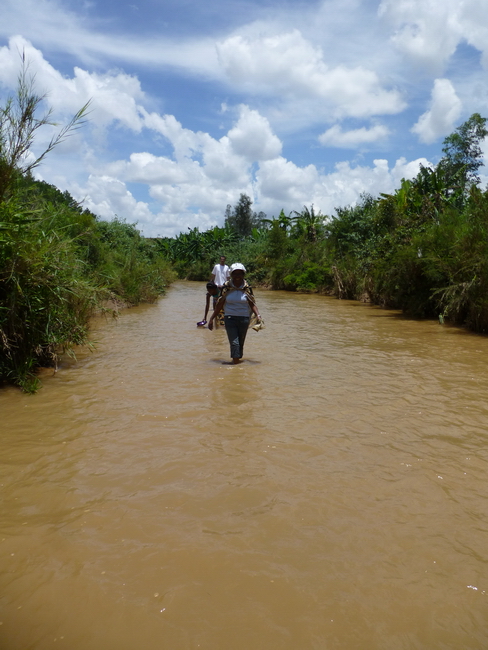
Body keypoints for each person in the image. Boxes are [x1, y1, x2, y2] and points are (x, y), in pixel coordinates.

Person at [208, 263, 262, 364]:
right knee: (234, 342)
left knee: (240, 343)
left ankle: (238, 361)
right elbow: (220, 304)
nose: (237, 276)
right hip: (229, 318)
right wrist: (211, 318)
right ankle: (236, 364)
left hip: (244, 319)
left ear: (243, 275)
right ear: (231, 275)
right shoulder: (226, 287)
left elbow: (252, 303)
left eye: (240, 274)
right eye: (235, 274)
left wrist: (258, 315)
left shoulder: (247, 287)